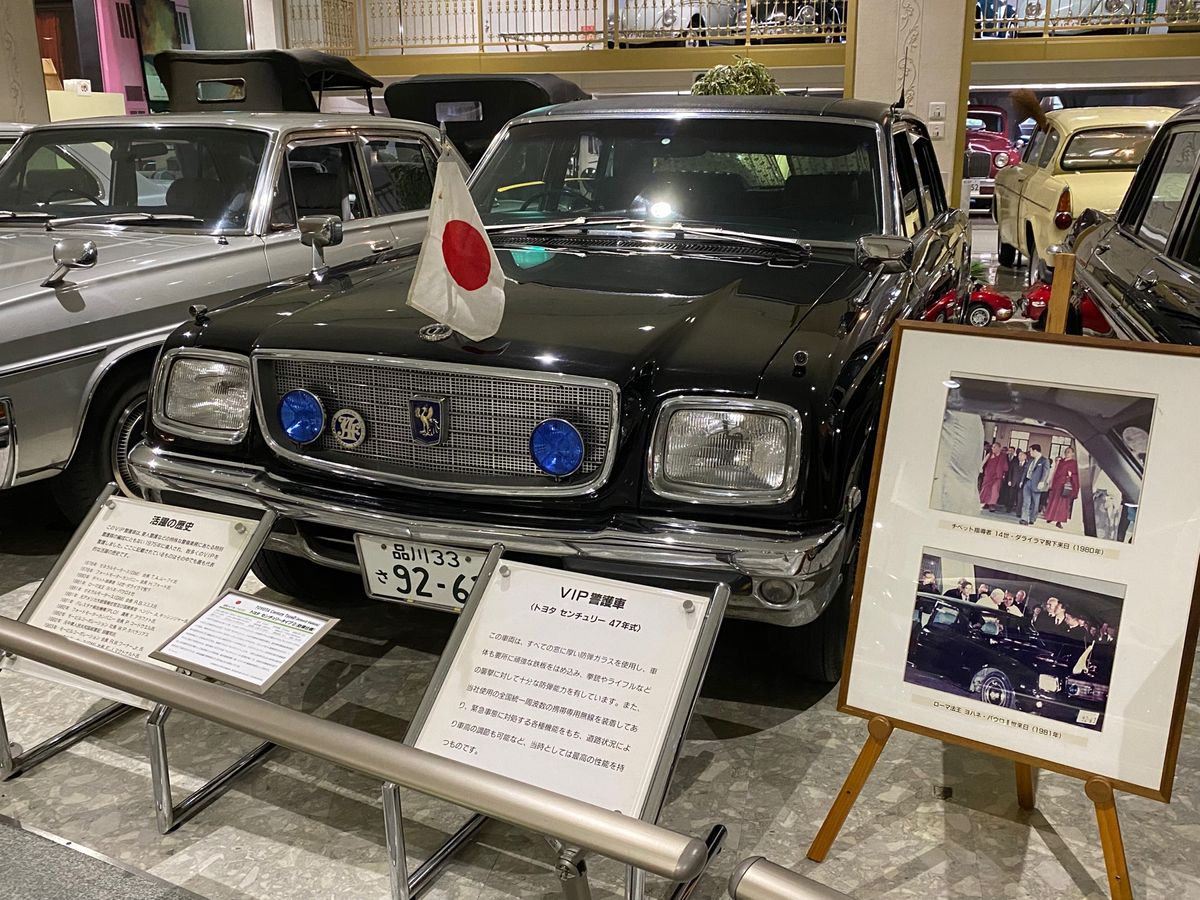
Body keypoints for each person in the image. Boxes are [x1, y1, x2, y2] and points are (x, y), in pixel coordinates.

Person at [1044, 446, 1081, 529]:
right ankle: (1050, 517)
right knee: (1053, 501)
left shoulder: (1074, 463)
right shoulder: (1061, 461)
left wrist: (1071, 476)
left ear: (1073, 454)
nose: (1067, 453)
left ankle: (1059, 521)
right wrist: (1052, 482)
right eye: (1066, 451)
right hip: (1057, 484)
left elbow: (1076, 475)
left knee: (1063, 504)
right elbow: (1056, 472)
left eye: (1069, 452)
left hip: (1065, 485)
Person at [1020, 444, 1051, 526]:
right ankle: (1024, 519)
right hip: (1028, 482)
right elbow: (1026, 470)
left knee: (1035, 503)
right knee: (1026, 502)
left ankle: (1032, 518)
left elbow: (1046, 472)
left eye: (1030, 451)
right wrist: (1022, 481)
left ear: (1035, 450)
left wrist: (1042, 481)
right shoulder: (1031, 460)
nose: (1030, 453)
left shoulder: (1044, 460)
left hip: (1037, 484)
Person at [979, 442, 1008, 510]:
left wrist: (1003, 474)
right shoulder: (990, 454)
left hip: (997, 476)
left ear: (999, 448)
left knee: (994, 490)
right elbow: (984, 461)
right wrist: (981, 468)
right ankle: (985, 503)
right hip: (988, 475)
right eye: (992, 447)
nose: (992, 448)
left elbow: (1005, 467)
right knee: (985, 488)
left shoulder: (1003, 456)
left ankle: (992, 504)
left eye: (994, 447)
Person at [1006, 450, 1027, 514]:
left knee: (1020, 499)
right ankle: (1009, 509)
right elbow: (1010, 472)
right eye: (1019, 455)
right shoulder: (1014, 463)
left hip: (1021, 484)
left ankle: (1018, 512)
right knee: (1011, 497)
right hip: (1013, 482)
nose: (1019, 457)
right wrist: (1009, 480)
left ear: (1025, 457)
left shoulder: (1027, 465)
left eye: (1021, 455)